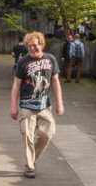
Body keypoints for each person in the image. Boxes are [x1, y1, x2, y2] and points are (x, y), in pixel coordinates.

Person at [10, 31, 64, 178]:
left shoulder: (50, 59)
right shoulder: (23, 62)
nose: (32, 48)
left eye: (34, 45)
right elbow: (16, 85)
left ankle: (33, 158)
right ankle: (29, 167)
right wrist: (13, 106)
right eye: (29, 46)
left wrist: (60, 103)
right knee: (27, 135)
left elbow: (55, 81)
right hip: (27, 105)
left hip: (44, 106)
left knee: (47, 134)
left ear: (41, 44)